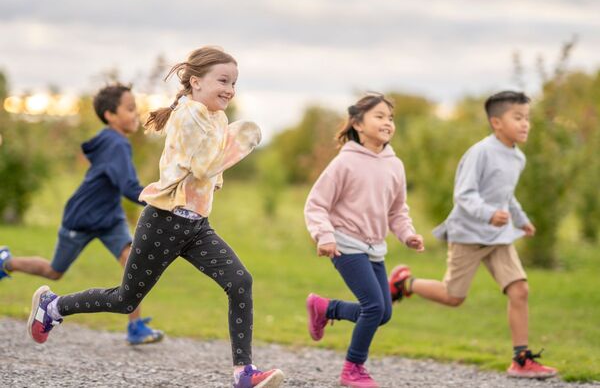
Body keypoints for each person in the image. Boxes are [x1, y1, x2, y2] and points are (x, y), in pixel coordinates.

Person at [27, 46, 284, 388]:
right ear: (196, 82)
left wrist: (223, 159)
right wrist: (238, 147)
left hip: (196, 226)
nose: (230, 89)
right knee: (125, 300)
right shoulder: (188, 114)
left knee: (240, 282)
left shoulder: (216, 117)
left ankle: (244, 372)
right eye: (223, 81)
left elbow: (211, 174)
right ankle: (53, 307)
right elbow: (205, 166)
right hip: (164, 222)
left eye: (234, 83)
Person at [388, 91, 558, 379]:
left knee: (520, 290)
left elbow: (506, 195)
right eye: (518, 118)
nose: (525, 124)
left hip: (499, 238)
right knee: (453, 296)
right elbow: (464, 195)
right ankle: (405, 283)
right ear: (496, 122)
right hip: (468, 235)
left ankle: (521, 359)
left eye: (527, 118)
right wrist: (488, 213)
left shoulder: (517, 157)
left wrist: (521, 219)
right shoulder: (481, 152)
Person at [2, 84, 163, 344]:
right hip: (82, 218)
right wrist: (163, 199)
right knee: (54, 271)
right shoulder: (116, 143)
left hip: (109, 219)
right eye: (130, 108)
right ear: (110, 115)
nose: (136, 114)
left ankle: (135, 327)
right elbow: (129, 187)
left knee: (130, 260)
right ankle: (6, 262)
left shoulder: (115, 141)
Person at [304, 93, 425, 388]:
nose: (387, 122)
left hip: (374, 247)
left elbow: (397, 211)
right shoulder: (344, 163)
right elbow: (316, 204)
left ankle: (325, 308)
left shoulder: (395, 165)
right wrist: (325, 236)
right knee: (373, 307)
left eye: (390, 118)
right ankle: (353, 368)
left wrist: (407, 234)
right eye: (379, 116)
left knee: (383, 313)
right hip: (344, 243)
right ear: (358, 124)